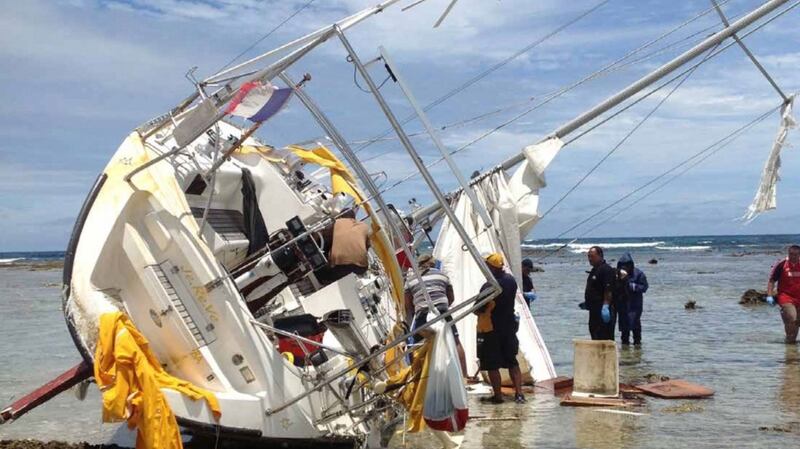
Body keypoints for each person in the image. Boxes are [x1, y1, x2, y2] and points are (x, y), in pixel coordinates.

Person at [405, 254, 467, 375]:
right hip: (443, 312)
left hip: (423, 314)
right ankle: (464, 375)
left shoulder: (411, 280)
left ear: (419, 265)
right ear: (433, 264)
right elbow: (451, 298)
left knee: (417, 345)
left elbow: (407, 304)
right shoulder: (443, 276)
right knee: (455, 341)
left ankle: (417, 375)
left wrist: (416, 309)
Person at [475, 253, 525, 404]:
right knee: (512, 361)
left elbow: (478, 308)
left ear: (492, 267)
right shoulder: (511, 281)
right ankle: (519, 394)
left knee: (491, 364)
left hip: (491, 328)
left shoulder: (490, 285)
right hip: (509, 326)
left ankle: (498, 396)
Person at [767, 245, 800, 343]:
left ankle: (790, 347)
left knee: (796, 322)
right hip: (785, 297)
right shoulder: (781, 264)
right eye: (791, 254)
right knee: (792, 317)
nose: (793, 257)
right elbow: (772, 280)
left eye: (795, 255)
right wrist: (769, 295)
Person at [614, 253, 649, 346]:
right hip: (622, 305)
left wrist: (632, 286)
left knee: (635, 327)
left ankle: (637, 350)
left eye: (626, 265)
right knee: (624, 332)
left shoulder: (638, 274)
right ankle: (626, 353)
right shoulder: (617, 274)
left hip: (635, 305)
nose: (624, 267)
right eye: (622, 265)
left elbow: (644, 287)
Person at [326, 208, 370, 279]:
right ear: (354, 218)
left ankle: (325, 278)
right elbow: (367, 246)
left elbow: (327, 236)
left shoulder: (338, 222)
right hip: (358, 265)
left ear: (341, 216)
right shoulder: (364, 226)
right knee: (360, 268)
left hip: (336, 261)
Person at [584, 246, 616, 341]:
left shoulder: (606, 270)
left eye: (592, 256)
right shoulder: (594, 270)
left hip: (603, 312)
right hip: (594, 311)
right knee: (595, 337)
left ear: (600, 256)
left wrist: (605, 306)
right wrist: (588, 302)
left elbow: (608, 290)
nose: (590, 259)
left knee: (605, 340)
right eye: (588, 256)